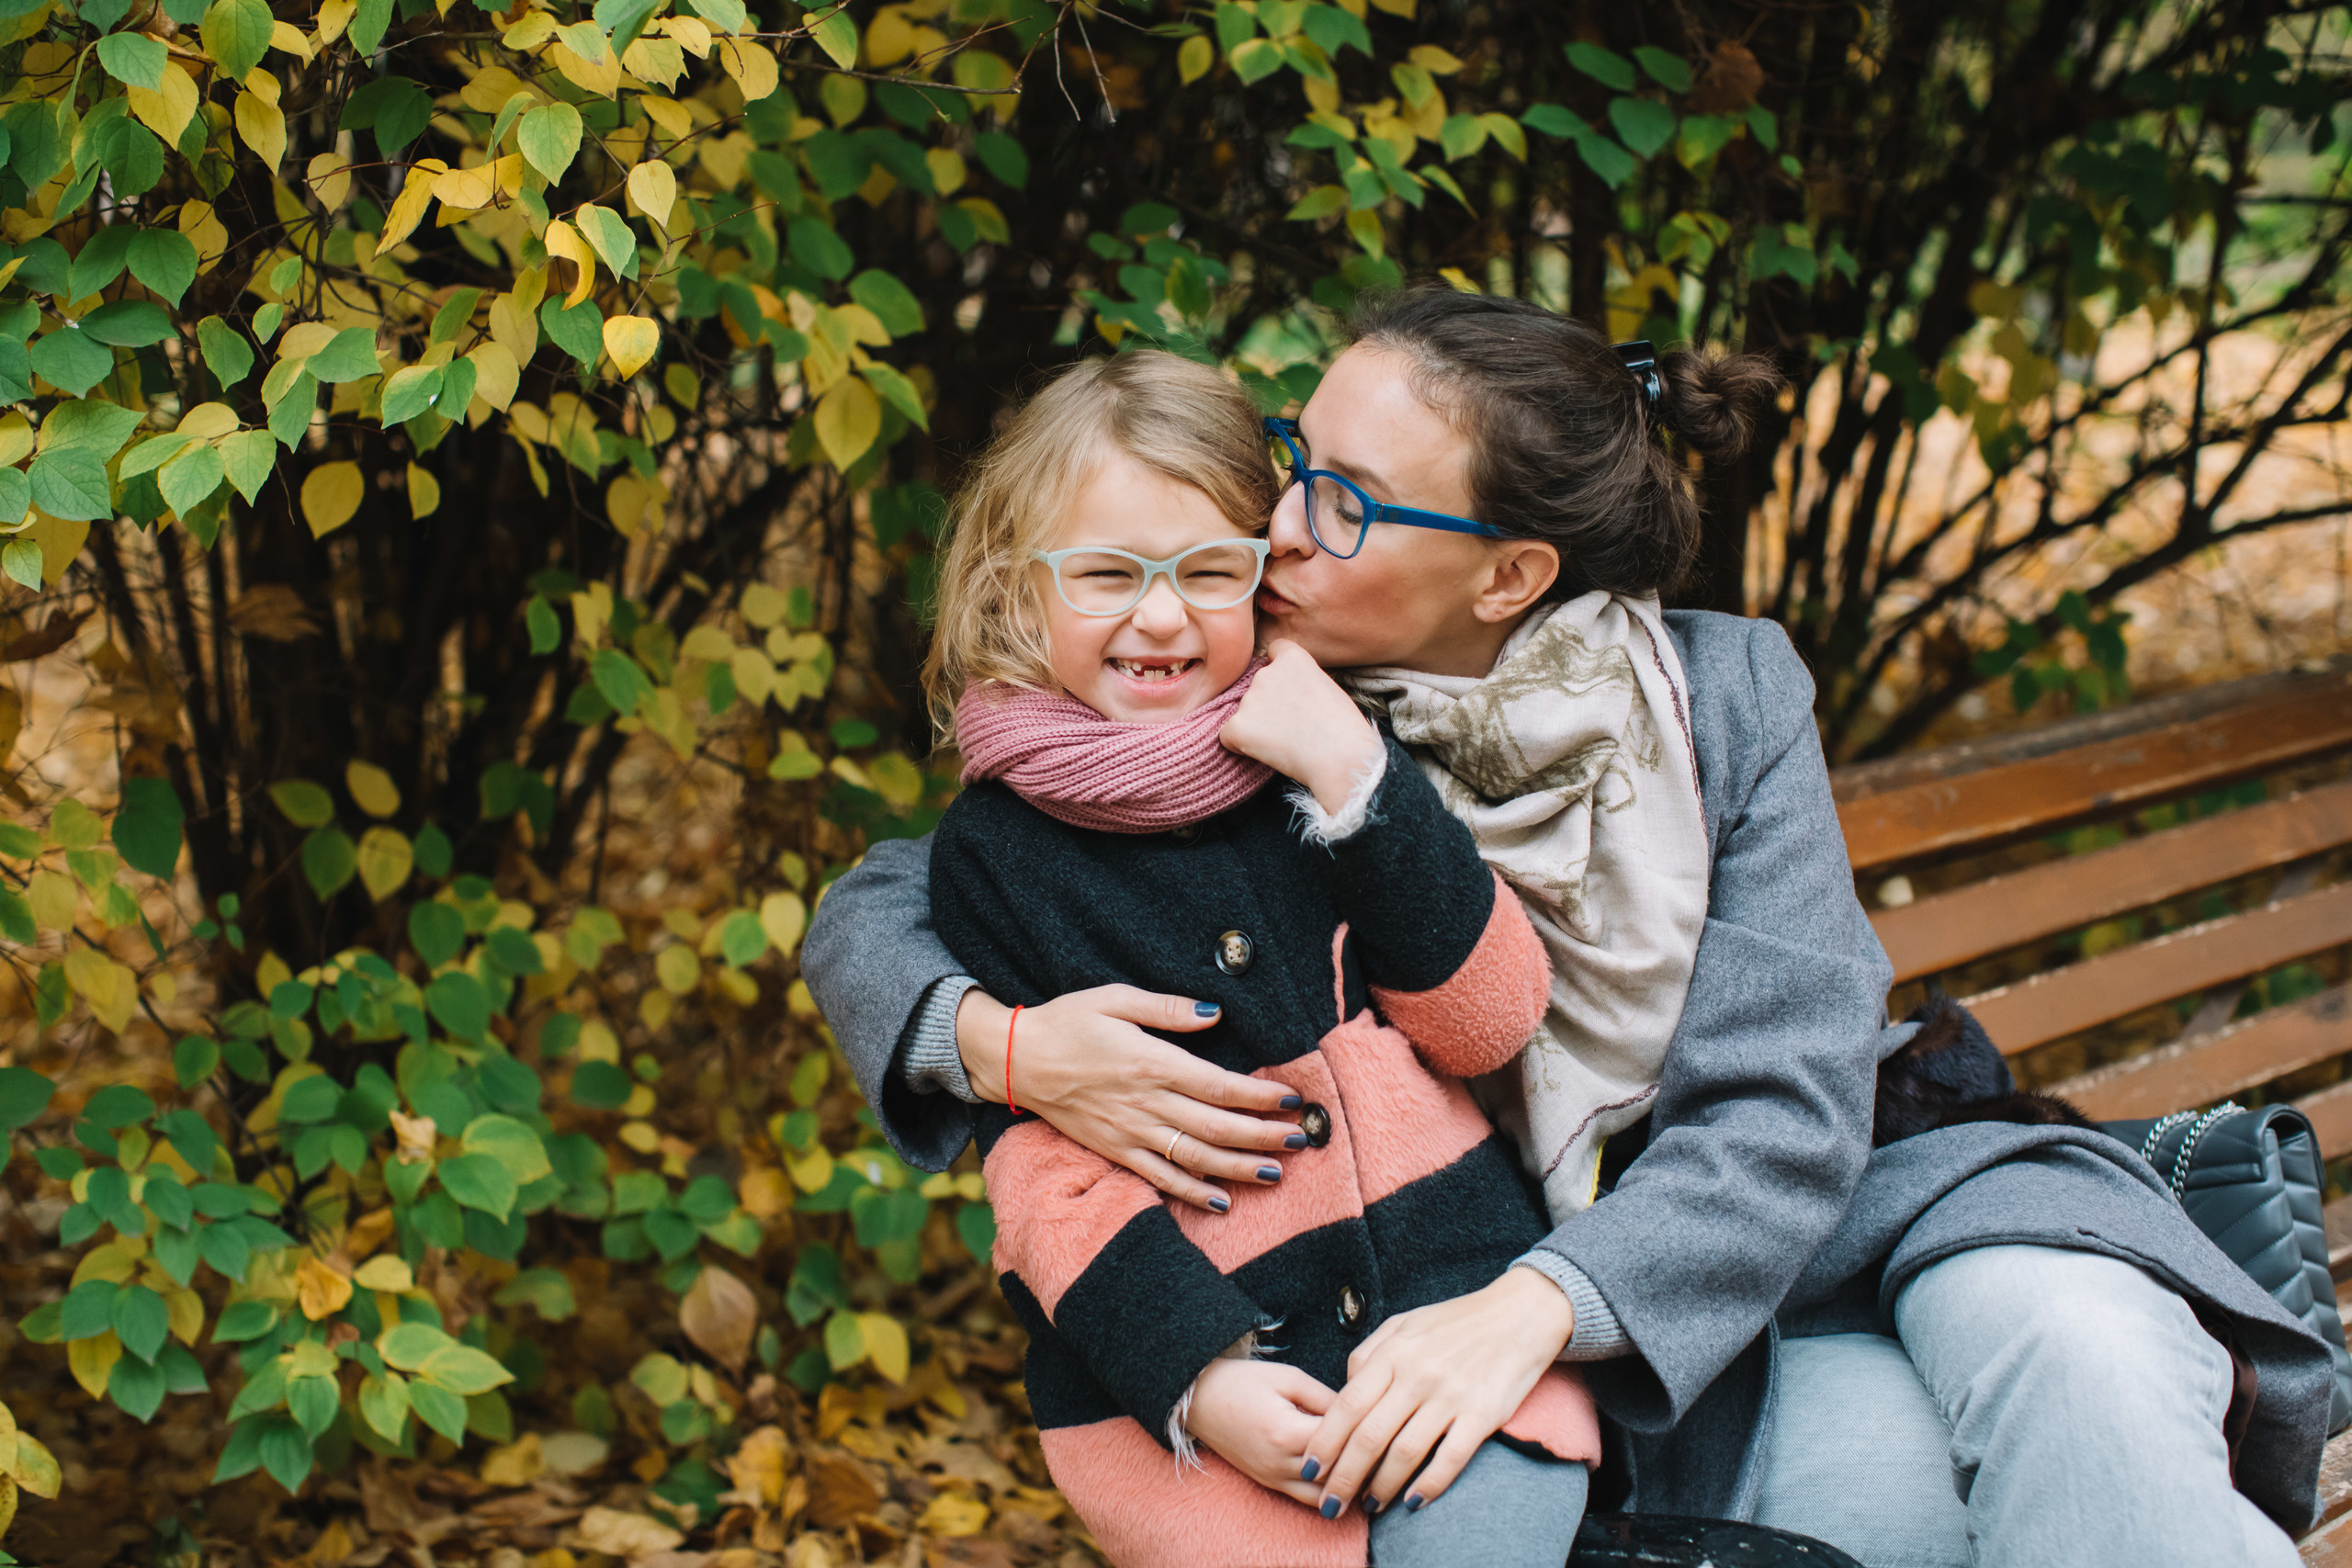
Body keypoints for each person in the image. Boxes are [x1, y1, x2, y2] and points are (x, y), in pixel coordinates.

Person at [806, 289, 2332, 1567]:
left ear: (1510, 575)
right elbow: (920, 880)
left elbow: (1786, 1107)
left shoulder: (1717, 703)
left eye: (1338, 498)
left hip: (1836, 1231)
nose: (1275, 524)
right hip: (1645, 1395)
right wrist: (995, 1044)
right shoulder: (1224, 673)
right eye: (1291, 458)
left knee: (2085, 1354)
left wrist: (1530, 1308)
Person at [915, 349, 1598, 1568]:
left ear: (1264, 578)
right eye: (1111, 574)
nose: (1164, 615)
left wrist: (1355, 781)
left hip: (1449, 1319)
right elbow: (1045, 1185)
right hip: (1211, 1389)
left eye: (1208, 571)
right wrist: (1200, 1374)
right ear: (1021, 594)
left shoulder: (1334, 746)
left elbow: (1489, 1020)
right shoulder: (995, 855)